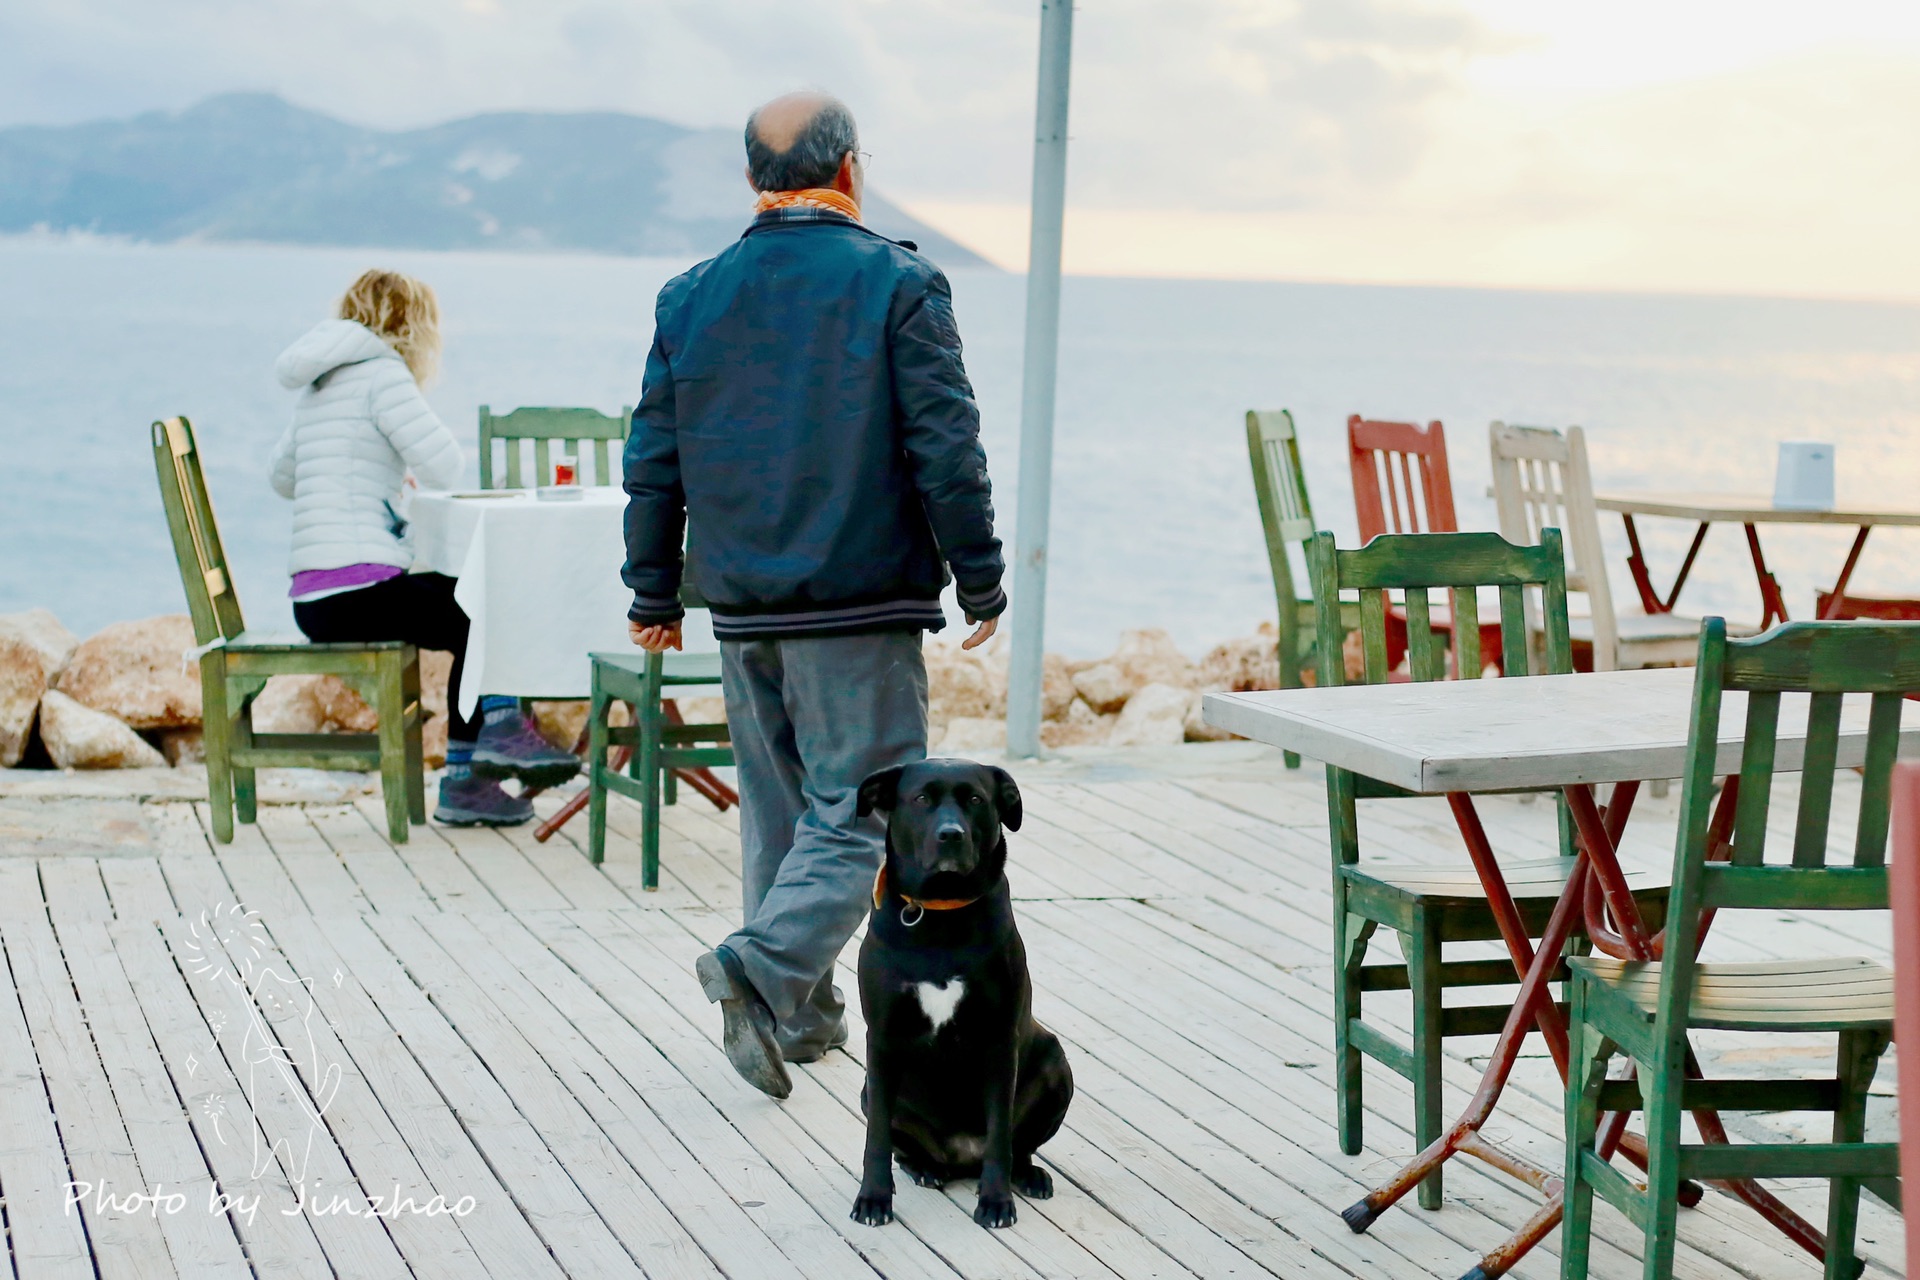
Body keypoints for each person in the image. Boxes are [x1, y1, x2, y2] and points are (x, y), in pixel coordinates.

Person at [622, 92, 1006, 1098]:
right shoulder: (899, 283)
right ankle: (760, 969)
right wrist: (982, 575)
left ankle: (803, 1017)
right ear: (850, 171)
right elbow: (946, 446)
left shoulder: (690, 294)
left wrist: (654, 587)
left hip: (741, 599)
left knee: (783, 814)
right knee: (873, 812)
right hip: (857, 599)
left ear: (755, 181)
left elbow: (653, 457)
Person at [271, 268, 579, 826]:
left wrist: (377, 475)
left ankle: (471, 775)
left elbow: (284, 478)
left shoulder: (321, 383)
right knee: (484, 600)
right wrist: (401, 475)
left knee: (466, 605)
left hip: (313, 602)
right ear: (412, 325)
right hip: (361, 590)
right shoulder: (382, 375)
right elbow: (444, 465)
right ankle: (496, 737)